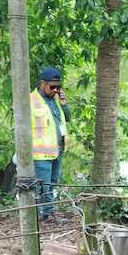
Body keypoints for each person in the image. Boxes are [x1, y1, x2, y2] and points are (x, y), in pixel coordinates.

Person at [31, 67, 72, 223]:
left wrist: (64, 104)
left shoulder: (55, 101)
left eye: (58, 87)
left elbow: (67, 118)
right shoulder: (31, 100)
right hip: (40, 153)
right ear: (43, 83)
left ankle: (48, 214)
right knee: (42, 186)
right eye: (52, 87)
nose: (56, 90)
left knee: (52, 183)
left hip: (57, 150)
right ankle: (42, 214)